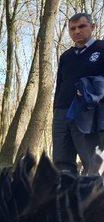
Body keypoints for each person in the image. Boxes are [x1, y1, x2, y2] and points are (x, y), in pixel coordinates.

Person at [53, 13, 104, 175]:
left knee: (92, 161)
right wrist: (56, 110)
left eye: (81, 26)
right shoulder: (66, 57)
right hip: (62, 113)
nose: (76, 31)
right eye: (72, 28)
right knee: (61, 161)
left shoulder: (101, 49)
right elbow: (60, 85)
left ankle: (95, 198)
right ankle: (67, 197)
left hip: (89, 113)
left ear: (92, 27)